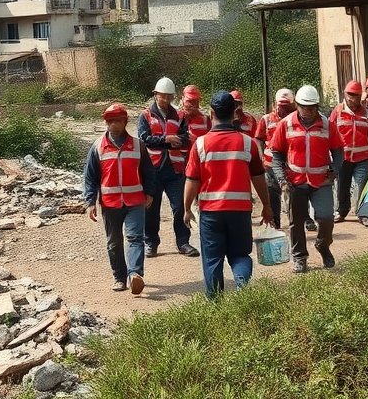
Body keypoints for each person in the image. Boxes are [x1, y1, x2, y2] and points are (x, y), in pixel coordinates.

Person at [183, 91, 274, 297]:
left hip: (211, 213)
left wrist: (187, 209)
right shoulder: (247, 143)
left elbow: (192, 180)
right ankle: (243, 289)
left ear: (211, 113)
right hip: (240, 212)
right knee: (240, 255)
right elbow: (259, 177)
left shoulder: (200, 144)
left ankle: (216, 305)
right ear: (234, 112)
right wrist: (267, 206)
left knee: (212, 259)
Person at [84, 103, 158, 295]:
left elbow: (148, 172)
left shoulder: (137, 145)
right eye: (109, 121)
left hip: (135, 201)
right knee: (114, 242)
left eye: (117, 120)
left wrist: (150, 193)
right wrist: (90, 202)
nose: (113, 124)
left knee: (135, 238)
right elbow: (90, 177)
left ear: (125, 121)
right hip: (110, 204)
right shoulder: (98, 147)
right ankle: (119, 277)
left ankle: (135, 275)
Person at [270, 84, 343, 273]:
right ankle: (300, 258)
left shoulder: (327, 125)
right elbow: (276, 153)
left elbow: (338, 150)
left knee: (326, 218)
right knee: (296, 222)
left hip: (321, 181)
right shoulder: (285, 124)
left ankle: (323, 245)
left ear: (317, 106)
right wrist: (282, 179)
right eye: (304, 107)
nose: (308, 111)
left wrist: (335, 167)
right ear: (297, 105)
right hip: (295, 182)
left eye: (312, 107)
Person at [138, 77, 198, 258]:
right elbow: (143, 139)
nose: (165, 100)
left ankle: (183, 242)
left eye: (168, 97)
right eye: (162, 96)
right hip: (153, 169)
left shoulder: (179, 116)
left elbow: (185, 138)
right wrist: (166, 140)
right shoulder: (146, 115)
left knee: (180, 206)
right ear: (156, 95)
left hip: (174, 169)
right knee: (151, 208)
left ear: (173, 97)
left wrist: (172, 141)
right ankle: (151, 243)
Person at [331, 80, 368, 224]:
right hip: (343, 158)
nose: (353, 98)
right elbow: (330, 134)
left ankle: (363, 213)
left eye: (356, 95)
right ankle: (341, 211)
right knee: (342, 186)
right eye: (350, 95)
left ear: (361, 96)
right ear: (344, 94)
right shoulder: (337, 112)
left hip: (362, 157)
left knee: (361, 184)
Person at [254, 88, 295, 229]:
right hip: (270, 164)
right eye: (281, 105)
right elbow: (258, 139)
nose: (283, 109)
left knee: (291, 194)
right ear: (275, 104)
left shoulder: (295, 119)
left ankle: (295, 222)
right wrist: (260, 156)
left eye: (286, 106)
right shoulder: (266, 119)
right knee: (273, 194)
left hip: (290, 165)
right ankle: (275, 223)